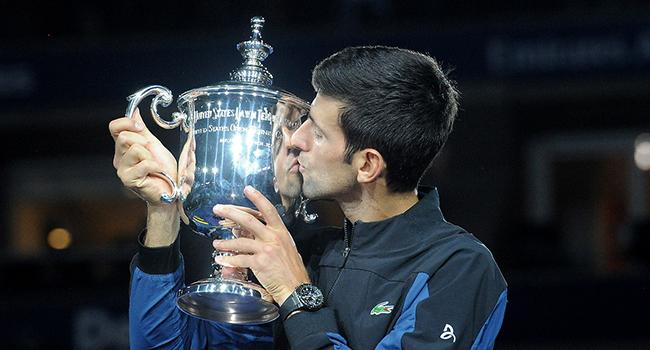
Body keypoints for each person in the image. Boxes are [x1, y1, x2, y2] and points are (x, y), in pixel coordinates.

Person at [111, 45, 507, 349]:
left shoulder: (458, 268)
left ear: (367, 165)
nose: (295, 141)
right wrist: (163, 208)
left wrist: (297, 296)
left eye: (315, 132)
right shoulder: (306, 252)